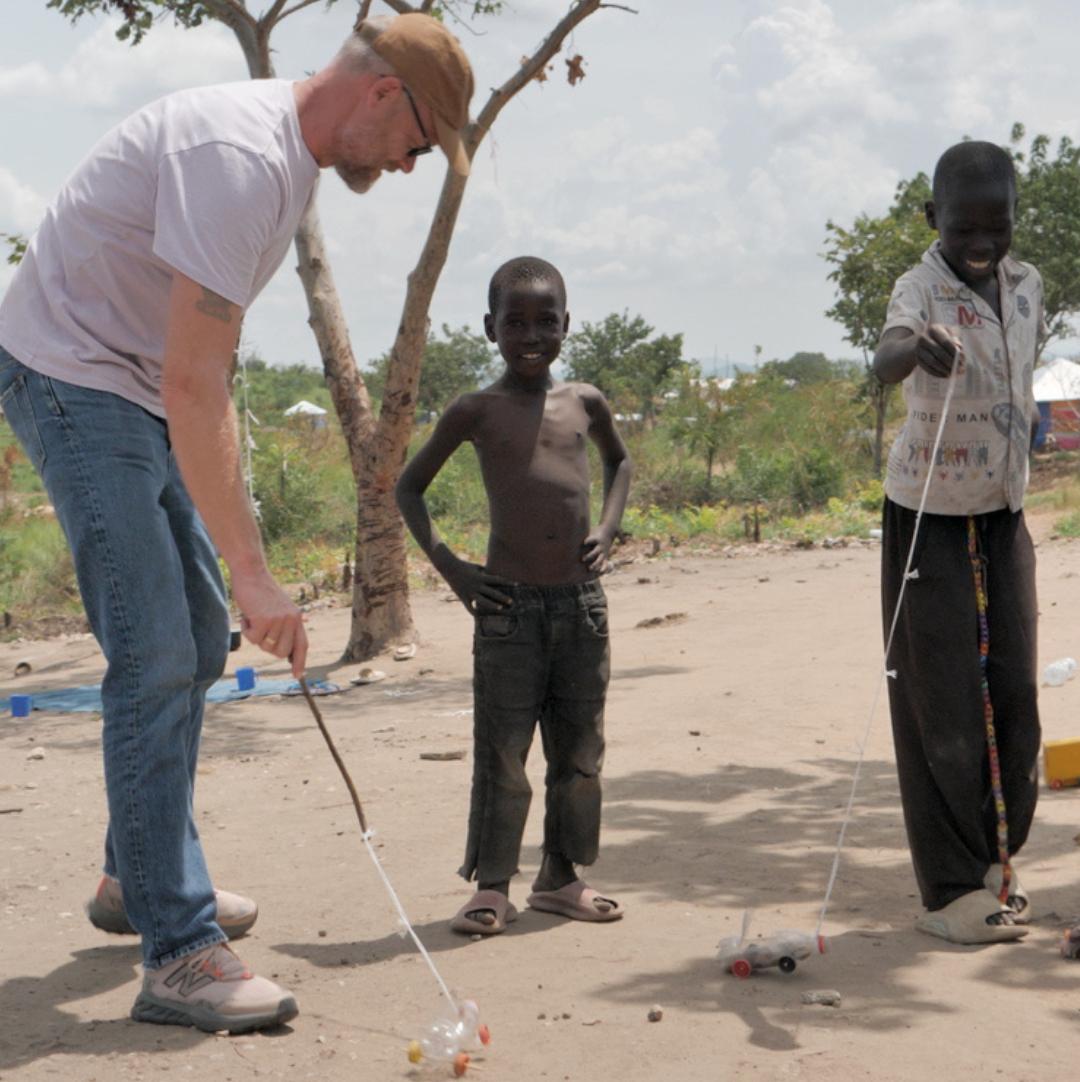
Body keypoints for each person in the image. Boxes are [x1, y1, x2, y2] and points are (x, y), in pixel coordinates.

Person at [0, 13, 473, 1033]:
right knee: (157, 649)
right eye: (420, 141)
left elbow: (196, 369)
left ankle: (134, 874)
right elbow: (194, 379)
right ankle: (178, 952)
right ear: (384, 93)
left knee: (201, 631)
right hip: (71, 372)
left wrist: (238, 574)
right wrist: (256, 569)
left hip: (131, 383)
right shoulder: (240, 159)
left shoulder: (289, 166)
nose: (411, 165)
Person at [396, 256, 631, 935]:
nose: (531, 336)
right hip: (508, 612)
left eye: (545, 322)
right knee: (503, 755)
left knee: (580, 754)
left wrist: (608, 528)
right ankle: (493, 887)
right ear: (489, 328)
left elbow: (620, 461)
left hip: (581, 608)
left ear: (567, 324)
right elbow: (409, 488)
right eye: (515, 322)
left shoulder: (585, 402)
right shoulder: (476, 410)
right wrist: (454, 570)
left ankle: (561, 878)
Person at [873, 141, 1042, 945]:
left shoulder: (1028, 284)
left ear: (1013, 219)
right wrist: (916, 348)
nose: (981, 241)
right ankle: (947, 890)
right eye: (963, 226)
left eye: (996, 225)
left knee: (1013, 696)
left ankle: (994, 865)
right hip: (928, 518)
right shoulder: (919, 288)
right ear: (931, 218)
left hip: (1004, 512)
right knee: (940, 703)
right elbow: (885, 358)